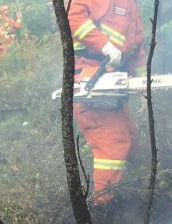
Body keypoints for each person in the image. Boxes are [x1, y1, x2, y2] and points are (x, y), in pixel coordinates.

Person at [67, 0, 144, 206]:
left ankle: (131, 196)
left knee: (129, 138)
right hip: (91, 75)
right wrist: (105, 45)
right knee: (112, 142)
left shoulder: (130, 5)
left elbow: (136, 46)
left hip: (113, 81)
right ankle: (103, 206)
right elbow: (73, 16)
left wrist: (144, 81)